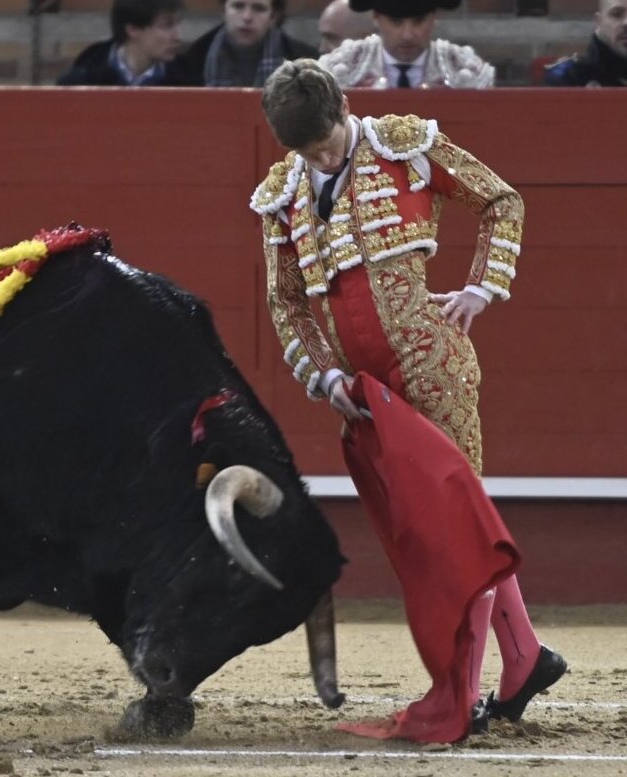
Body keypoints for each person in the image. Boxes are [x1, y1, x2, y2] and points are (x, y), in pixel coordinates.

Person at [250, 59, 565, 742]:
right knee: (447, 528)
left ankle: (465, 695)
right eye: (307, 150)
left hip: (432, 362)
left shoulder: (404, 143)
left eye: (327, 140)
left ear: (343, 108)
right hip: (368, 394)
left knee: (452, 529)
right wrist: (327, 378)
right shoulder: (282, 193)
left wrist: (483, 286)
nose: (322, 157)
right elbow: (285, 303)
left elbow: (500, 200)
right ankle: (524, 658)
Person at [317, 0, 493, 88]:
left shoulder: (468, 74)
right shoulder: (338, 72)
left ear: (433, 18)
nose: (408, 35)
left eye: (419, 21)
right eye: (396, 21)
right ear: (376, 18)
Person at [171, 0, 318, 87]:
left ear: (273, 16)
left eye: (258, 8)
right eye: (238, 6)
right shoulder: (189, 62)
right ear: (223, 11)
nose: (247, 17)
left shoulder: (304, 63)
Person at [56, 0, 190, 85]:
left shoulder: (189, 81)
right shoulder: (81, 80)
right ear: (133, 29)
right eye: (166, 25)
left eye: (178, 24)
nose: (178, 36)